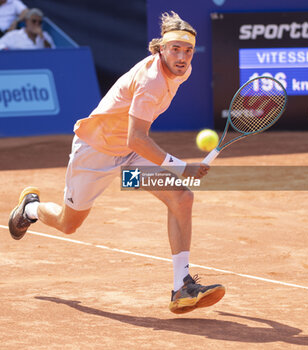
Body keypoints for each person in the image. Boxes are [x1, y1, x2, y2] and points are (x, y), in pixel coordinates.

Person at [8, 11, 225, 314]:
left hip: (130, 158)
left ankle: (182, 286)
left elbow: (134, 143)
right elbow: (138, 138)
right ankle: (29, 208)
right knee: (69, 224)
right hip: (95, 152)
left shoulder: (182, 70)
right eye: (175, 49)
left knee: (181, 197)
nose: (183, 57)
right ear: (160, 48)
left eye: (188, 50)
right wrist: (180, 166)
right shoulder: (150, 81)